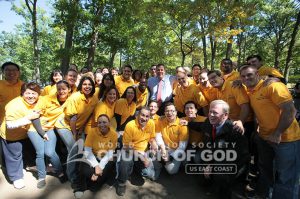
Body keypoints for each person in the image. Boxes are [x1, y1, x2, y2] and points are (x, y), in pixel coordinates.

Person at [240, 64, 300, 199]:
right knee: (266, 172)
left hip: (286, 139)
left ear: (257, 75)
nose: (246, 78)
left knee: (286, 177)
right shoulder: (250, 90)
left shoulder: (273, 86)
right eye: (243, 76)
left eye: (249, 75)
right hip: (264, 138)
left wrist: (277, 133)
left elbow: (290, 110)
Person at [186, 100, 250, 199]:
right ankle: (211, 183)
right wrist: (187, 123)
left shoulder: (234, 130)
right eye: (210, 111)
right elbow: (200, 126)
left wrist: (212, 165)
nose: (211, 115)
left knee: (220, 175)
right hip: (214, 157)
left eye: (215, 113)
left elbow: (237, 157)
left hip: (232, 162)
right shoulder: (208, 122)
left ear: (225, 115)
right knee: (201, 172)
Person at [55, 76, 99, 184]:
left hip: (78, 127)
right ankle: (72, 176)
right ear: (81, 85)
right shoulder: (75, 97)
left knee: (82, 148)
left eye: (89, 84)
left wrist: (81, 129)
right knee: (74, 149)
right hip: (64, 125)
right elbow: (73, 119)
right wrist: (75, 133)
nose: (87, 86)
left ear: (93, 86)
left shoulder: (94, 98)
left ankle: (78, 170)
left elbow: (88, 115)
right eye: (84, 84)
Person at [28, 80, 70, 188]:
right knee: (40, 153)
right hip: (35, 128)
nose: (61, 91)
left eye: (64, 88)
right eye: (59, 88)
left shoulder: (69, 100)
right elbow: (34, 116)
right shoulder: (46, 99)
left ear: (69, 89)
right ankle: (41, 177)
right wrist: (42, 133)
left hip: (49, 128)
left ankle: (60, 172)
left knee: (50, 152)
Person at [0, 82, 42, 189]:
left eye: (34, 93)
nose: (31, 96)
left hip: (27, 133)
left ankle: (29, 166)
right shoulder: (14, 105)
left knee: (28, 151)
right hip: (12, 135)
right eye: (28, 93)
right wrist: (29, 118)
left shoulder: (39, 101)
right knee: (14, 155)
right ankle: (16, 177)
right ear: (22, 93)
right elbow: (10, 125)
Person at [116, 107, 159, 196]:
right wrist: (142, 158)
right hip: (129, 149)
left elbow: (152, 137)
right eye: (142, 115)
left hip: (143, 151)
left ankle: (135, 167)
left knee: (149, 173)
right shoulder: (130, 125)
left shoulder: (151, 123)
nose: (144, 118)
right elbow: (127, 146)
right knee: (125, 162)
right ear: (137, 115)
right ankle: (121, 183)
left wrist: (153, 143)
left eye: (147, 116)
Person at [73, 114, 118, 198]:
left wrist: (100, 167)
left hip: (104, 158)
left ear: (109, 123)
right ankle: (80, 187)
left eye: (104, 122)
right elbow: (87, 151)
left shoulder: (114, 134)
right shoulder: (92, 131)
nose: (102, 125)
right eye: (99, 122)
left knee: (95, 186)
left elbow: (110, 153)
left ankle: (95, 179)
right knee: (82, 167)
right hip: (92, 155)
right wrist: (96, 166)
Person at [155, 102, 188, 175]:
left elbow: (182, 146)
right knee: (154, 153)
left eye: (172, 111)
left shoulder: (182, 125)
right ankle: (165, 162)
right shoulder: (160, 121)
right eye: (167, 111)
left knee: (171, 171)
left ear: (176, 112)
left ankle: (179, 161)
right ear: (164, 112)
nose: (169, 113)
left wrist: (170, 157)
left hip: (177, 151)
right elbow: (158, 135)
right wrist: (163, 148)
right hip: (166, 148)